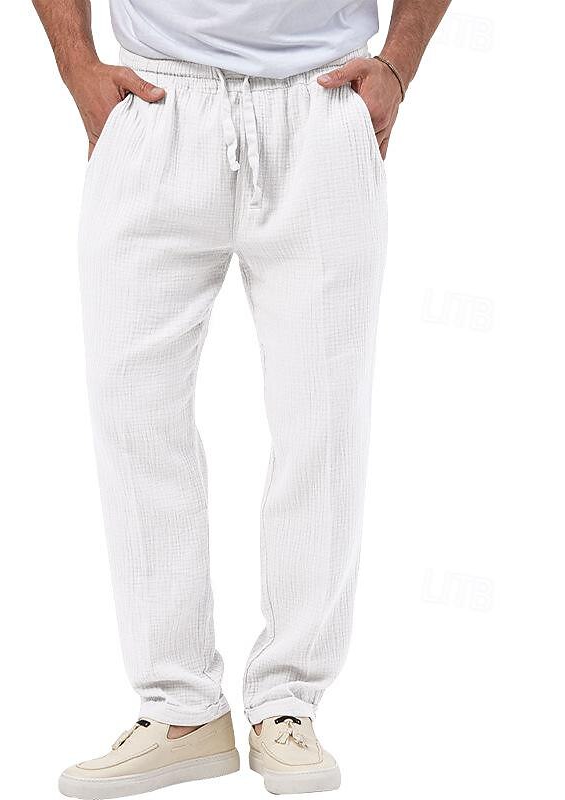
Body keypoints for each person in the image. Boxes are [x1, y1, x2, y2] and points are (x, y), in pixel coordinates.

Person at [32, 1, 450, 796]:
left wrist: (397, 64)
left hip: (321, 100)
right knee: (132, 411)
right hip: (156, 102)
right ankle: (179, 706)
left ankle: (288, 703)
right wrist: (76, 64)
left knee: (322, 417)